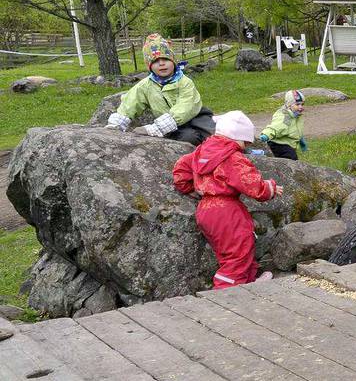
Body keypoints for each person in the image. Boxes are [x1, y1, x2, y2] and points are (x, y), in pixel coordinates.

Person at [173, 111, 282, 289]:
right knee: (238, 251)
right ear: (236, 137)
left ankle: (247, 281)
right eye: (245, 142)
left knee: (228, 251)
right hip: (226, 210)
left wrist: (189, 188)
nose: (245, 147)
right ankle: (226, 293)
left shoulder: (201, 152)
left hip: (205, 209)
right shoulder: (232, 157)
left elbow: (181, 170)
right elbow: (249, 182)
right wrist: (268, 188)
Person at [105, 34, 215, 146]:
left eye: (165, 59)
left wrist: (158, 127)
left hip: (195, 117)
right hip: (172, 126)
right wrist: (116, 124)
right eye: (156, 61)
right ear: (150, 65)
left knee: (214, 134)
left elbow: (186, 106)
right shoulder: (145, 85)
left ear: (173, 61)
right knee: (188, 137)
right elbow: (131, 102)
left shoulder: (184, 82)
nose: (161, 63)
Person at [259, 89, 307, 160]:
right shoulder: (286, 117)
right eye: (297, 104)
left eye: (302, 104)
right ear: (289, 105)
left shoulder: (297, 117)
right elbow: (276, 127)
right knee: (292, 158)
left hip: (288, 145)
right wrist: (266, 135)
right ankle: (260, 153)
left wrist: (301, 140)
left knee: (292, 157)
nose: (300, 107)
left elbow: (296, 129)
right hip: (279, 144)